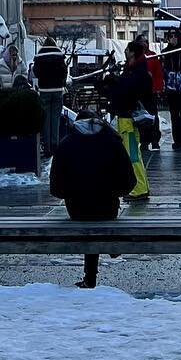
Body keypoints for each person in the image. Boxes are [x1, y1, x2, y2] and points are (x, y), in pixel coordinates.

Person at [49, 108, 138, 288]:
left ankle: (91, 276)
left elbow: (56, 187)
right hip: (107, 207)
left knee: (88, 220)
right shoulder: (112, 141)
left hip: (77, 208)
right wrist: (112, 191)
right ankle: (108, 248)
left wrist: (73, 191)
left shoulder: (66, 144)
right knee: (101, 216)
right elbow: (129, 180)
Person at [103, 36, 154, 202]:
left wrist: (116, 82)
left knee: (132, 155)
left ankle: (138, 189)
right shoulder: (134, 69)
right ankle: (141, 186)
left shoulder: (136, 72)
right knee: (134, 154)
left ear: (132, 53)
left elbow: (128, 91)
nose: (124, 52)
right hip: (127, 117)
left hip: (128, 120)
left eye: (126, 50)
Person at [32, 38, 69, 158]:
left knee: (46, 120)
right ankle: (55, 146)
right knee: (56, 119)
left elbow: (36, 72)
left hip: (44, 91)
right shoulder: (59, 55)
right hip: (57, 91)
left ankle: (47, 148)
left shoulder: (40, 55)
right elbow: (64, 71)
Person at [144, 45, 165, 150]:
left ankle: (154, 139)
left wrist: (158, 88)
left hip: (151, 91)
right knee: (143, 117)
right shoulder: (138, 58)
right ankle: (145, 140)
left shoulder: (152, 57)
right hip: (141, 92)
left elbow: (158, 74)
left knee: (153, 116)